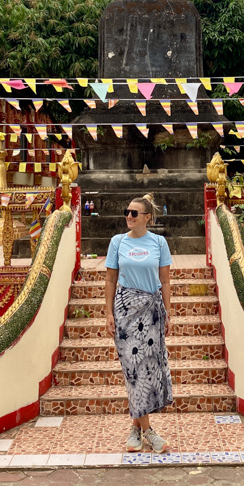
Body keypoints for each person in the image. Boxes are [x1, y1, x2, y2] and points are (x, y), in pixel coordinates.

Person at [105, 194, 173, 453]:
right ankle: (149, 432)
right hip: (124, 310)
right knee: (134, 370)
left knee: (148, 371)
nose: (129, 216)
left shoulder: (159, 242)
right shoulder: (117, 242)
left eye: (134, 213)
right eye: (127, 212)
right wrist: (108, 313)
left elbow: (165, 281)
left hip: (152, 312)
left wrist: (168, 312)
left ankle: (135, 429)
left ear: (148, 217)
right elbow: (111, 280)